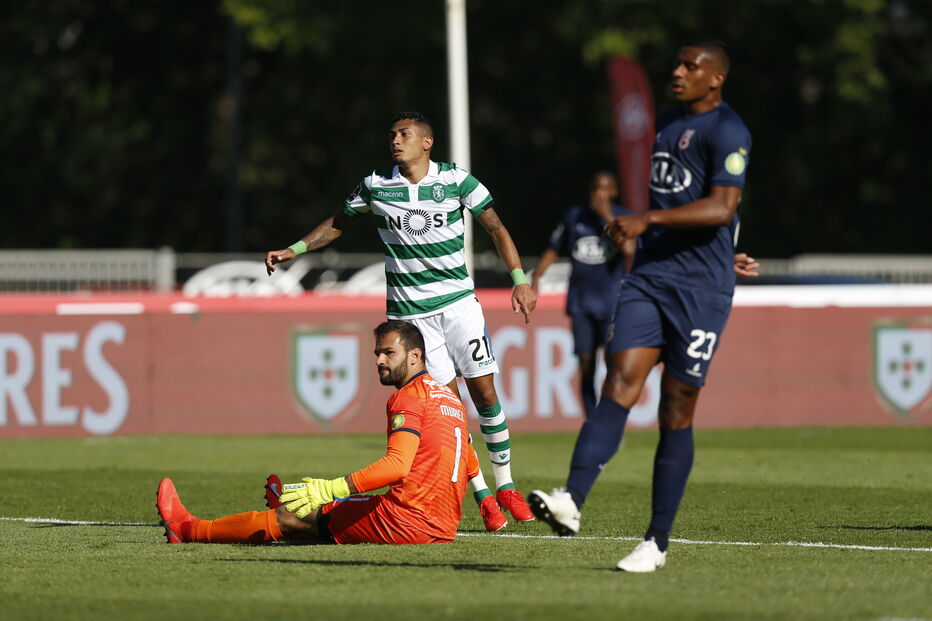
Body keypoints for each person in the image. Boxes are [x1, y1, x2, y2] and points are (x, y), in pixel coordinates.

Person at [528, 39, 753, 572]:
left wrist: (659, 225)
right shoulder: (667, 123)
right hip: (650, 277)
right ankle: (572, 499)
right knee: (619, 383)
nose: (676, 72)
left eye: (689, 66)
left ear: (715, 78)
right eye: (676, 63)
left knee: (675, 409)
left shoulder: (730, 131)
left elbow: (722, 207)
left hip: (701, 291)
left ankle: (656, 542)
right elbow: (682, 200)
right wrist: (656, 227)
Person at [264, 112, 537, 532]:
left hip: (460, 304)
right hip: (410, 316)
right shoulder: (376, 184)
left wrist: (519, 280)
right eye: (392, 134)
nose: (395, 140)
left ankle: (506, 486)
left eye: (404, 134)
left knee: (484, 392)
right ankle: (483, 496)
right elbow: (339, 222)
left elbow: (496, 228)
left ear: (427, 142)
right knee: (447, 410)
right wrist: (295, 248)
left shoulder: (457, 181)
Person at [156, 320, 480, 545]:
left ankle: (188, 529)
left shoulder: (408, 397)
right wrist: (488, 505)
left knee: (289, 517)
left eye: (388, 354)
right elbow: (468, 460)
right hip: (442, 524)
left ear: (415, 356)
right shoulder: (449, 397)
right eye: (377, 353)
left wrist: (333, 487)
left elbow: (398, 465)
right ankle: (295, 508)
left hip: (407, 522)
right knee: (322, 512)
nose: (379, 360)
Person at [531, 171, 636, 419]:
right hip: (581, 303)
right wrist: (535, 280)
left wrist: (606, 216)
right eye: (595, 188)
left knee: (613, 366)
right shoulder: (574, 216)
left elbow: (629, 248)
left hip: (612, 304)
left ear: (614, 192)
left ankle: (610, 419)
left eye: (604, 188)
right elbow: (554, 249)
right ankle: (593, 421)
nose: (599, 193)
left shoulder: (625, 217)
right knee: (586, 366)